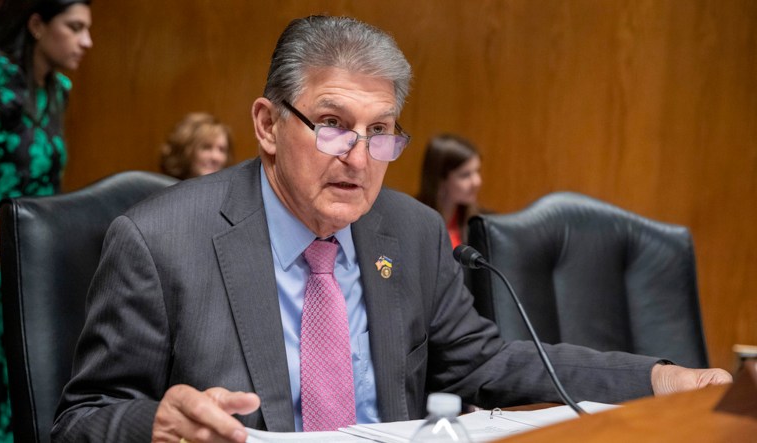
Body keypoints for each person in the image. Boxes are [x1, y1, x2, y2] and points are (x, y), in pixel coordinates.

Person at [51, 15, 730, 442]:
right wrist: (154, 422)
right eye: (333, 123)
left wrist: (659, 378)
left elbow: (491, 363)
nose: (357, 156)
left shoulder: (411, 230)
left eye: (380, 132)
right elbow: (80, 419)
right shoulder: (159, 240)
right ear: (266, 124)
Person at [0, 0, 92, 441]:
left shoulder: (60, 89)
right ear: (36, 24)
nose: (86, 41)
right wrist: (0, 250)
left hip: (27, 254)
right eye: (74, 27)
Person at [417, 133, 482, 248]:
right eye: (465, 175)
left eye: (477, 171)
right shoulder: (414, 220)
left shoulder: (479, 223)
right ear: (440, 179)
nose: (477, 181)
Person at [160, 112, 233, 180]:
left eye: (222, 150)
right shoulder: (164, 191)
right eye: (206, 147)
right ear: (184, 150)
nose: (215, 157)